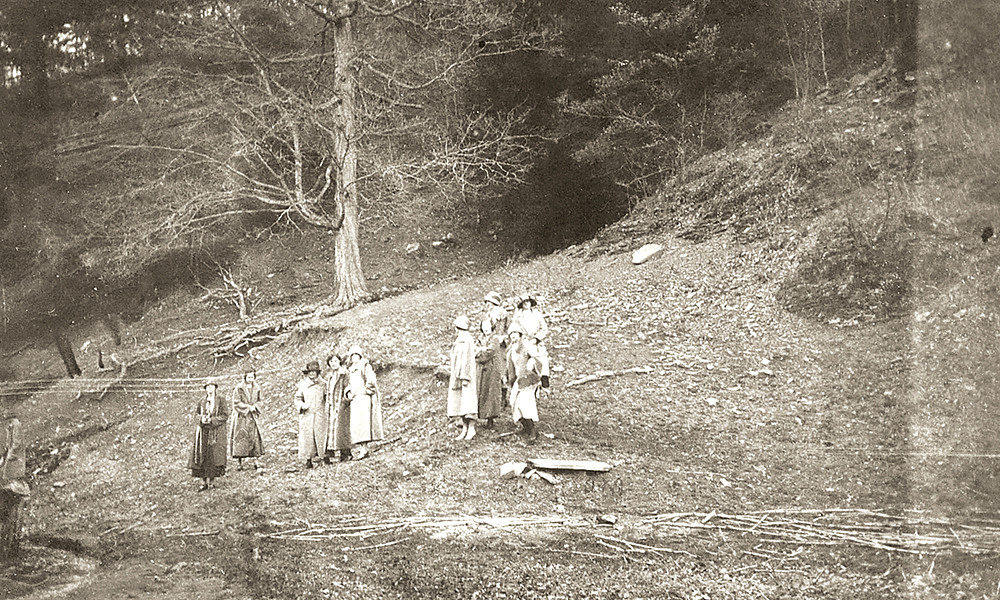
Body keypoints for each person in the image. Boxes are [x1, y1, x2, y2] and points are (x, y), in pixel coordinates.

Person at [189, 381, 230, 490]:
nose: (210, 389)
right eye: (208, 387)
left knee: (213, 457)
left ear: (215, 388)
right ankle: (203, 482)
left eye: (212, 386)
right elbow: (196, 415)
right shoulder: (202, 401)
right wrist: (201, 419)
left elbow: (225, 415)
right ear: (205, 389)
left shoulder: (220, 400)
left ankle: (211, 481)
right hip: (203, 433)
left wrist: (212, 420)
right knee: (202, 455)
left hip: (215, 432)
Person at [345, 345, 384, 460]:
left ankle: (364, 449)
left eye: (356, 355)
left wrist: (367, 391)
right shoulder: (351, 369)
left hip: (364, 399)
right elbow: (349, 384)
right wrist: (348, 393)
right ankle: (362, 448)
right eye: (352, 355)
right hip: (355, 399)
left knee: (364, 425)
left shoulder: (365, 366)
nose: (354, 357)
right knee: (357, 425)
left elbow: (371, 379)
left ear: (360, 356)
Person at [505, 325, 542, 443]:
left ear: (520, 334)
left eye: (515, 333)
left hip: (529, 379)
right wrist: (507, 377)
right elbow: (510, 365)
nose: (513, 336)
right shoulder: (512, 348)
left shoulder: (526, 344)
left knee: (524, 404)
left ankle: (533, 431)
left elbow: (536, 357)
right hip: (519, 379)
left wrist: (532, 361)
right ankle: (525, 427)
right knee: (514, 403)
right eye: (511, 334)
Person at [0, 405, 27, 559]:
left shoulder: (16, 425)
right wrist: (4, 455)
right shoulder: (9, 426)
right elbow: (7, 445)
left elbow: (16, 444)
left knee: (10, 470)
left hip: (16, 459)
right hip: (10, 457)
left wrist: (9, 455)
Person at [448, 314, 479, 440]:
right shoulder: (459, 340)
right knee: (460, 402)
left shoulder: (467, 339)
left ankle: (471, 428)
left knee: (468, 402)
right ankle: (464, 428)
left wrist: (465, 376)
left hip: (466, 376)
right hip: (457, 374)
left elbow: (467, 359)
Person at [294, 361, 329, 468]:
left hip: (320, 413)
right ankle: (308, 460)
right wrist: (302, 405)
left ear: (318, 372)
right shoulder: (303, 385)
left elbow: (328, 397)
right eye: (310, 372)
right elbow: (297, 398)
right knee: (307, 437)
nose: (312, 374)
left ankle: (324, 457)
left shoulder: (324, 384)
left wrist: (327, 406)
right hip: (307, 414)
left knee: (322, 435)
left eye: (314, 372)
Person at [511, 293, 550, 388]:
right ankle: (515, 380)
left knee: (542, 358)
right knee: (514, 359)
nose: (526, 304)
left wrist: (536, 339)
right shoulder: (518, 315)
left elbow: (544, 329)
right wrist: (515, 335)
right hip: (523, 341)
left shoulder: (537, 314)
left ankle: (544, 378)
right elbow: (513, 327)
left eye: (527, 301)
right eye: (523, 302)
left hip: (536, 342)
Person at [229, 370, 264, 470]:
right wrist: (247, 408)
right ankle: (240, 462)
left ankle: (256, 461)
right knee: (241, 438)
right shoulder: (239, 388)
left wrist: (255, 407)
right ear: (245, 378)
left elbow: (260, 400)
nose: (250, 379)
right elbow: (236, 402)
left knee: (255, 439)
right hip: (242, 417)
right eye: (248, 377)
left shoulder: (257, 388)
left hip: (252, 417)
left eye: (252, 377)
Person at [475, 317, 504, 429]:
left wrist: (481, 352)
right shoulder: (479, 338)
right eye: (484, 326)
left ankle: (490, 419)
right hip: (481, 370)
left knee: (491, 392)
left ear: (491, 327)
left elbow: (489, 353)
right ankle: (481, 415)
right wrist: (480, 351)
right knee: (481, 391)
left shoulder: (495, 338)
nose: (486, 328)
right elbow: (475, 351)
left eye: (488, 326)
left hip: (492, 369)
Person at [326, 353, 353, 462]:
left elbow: (348, 387)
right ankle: (335, 452)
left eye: (335, 361)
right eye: (331, 362)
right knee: (333, 430)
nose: (333, 363)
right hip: (332, 405)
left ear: (339, 362)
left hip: (341, 405)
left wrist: (345, 400)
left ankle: (346, 453)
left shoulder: (344, 373)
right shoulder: (330, 375)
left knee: (342, 430)